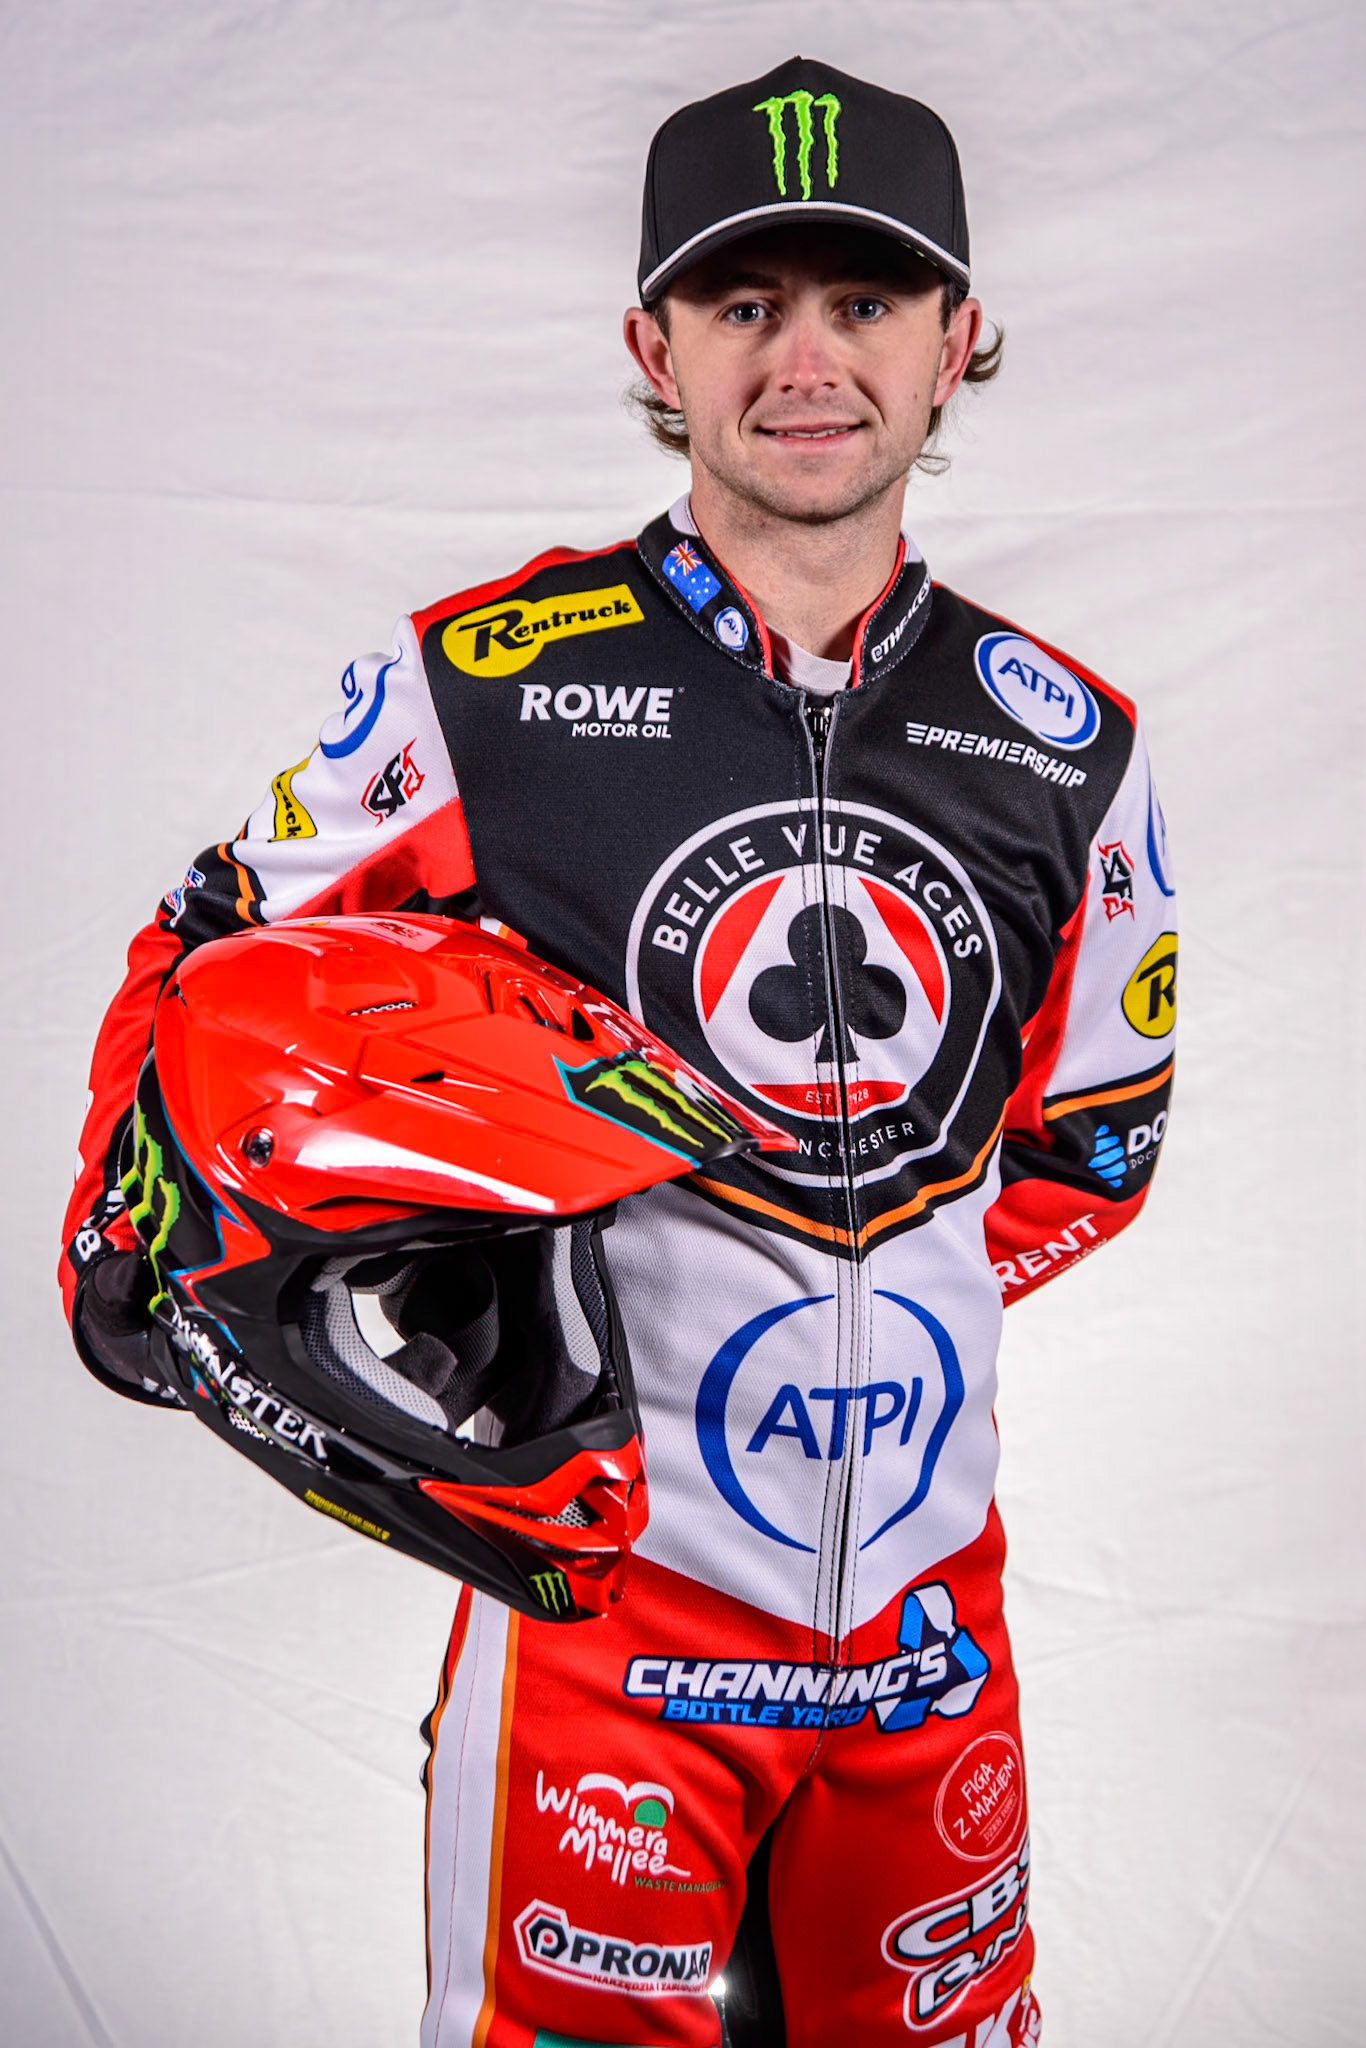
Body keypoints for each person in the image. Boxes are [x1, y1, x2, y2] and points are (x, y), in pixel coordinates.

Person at [62, 54, 1177, 2048]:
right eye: (744, 303)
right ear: (649, 342)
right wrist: (152, 1219)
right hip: (603, 1638)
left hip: (930, 1643)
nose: (805, 356)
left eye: (863, 301)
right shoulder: (480, 677)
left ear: (957, 341)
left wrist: (848, 1299)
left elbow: (1083, 1157)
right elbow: (214, 941)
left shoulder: (1075, 742)